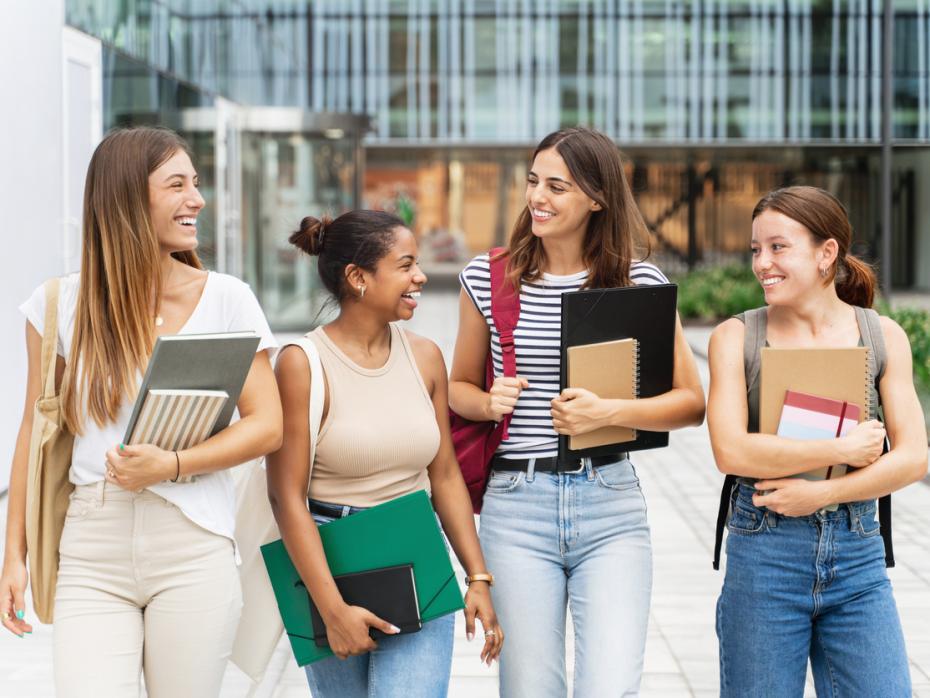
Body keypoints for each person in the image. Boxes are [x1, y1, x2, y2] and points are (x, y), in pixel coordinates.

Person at [0, 127, 282, 697]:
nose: (196, 200)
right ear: (127, 199)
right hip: (91, 546)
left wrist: (173, 464)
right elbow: (34, 428)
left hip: (193, 540)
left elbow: (268, 424)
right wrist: (15, 556)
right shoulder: (60, 305)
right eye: (176, 185)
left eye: (195, 183)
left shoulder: (227, 298)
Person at [448, 126, 706, 696]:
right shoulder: (489, 279)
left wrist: (608, 412)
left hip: (610, 504)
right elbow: (457, 388)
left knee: (610, 687)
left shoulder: (638, 282)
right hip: (517, 509)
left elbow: (691, 404)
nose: (538, 196)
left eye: (558, 187)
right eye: (534, 181)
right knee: (530, 688)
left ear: (596, 198)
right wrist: (488, 402)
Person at [267, 210, 503, 698]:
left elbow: (444, 475)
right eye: (405, 265)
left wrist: (477, 576)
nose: (420, 276)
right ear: (357, 277)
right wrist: (333, 611)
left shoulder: (425, 356)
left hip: (416, 556)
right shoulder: (301, 364)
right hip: (331, 563)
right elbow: (286, 498)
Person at [707, 185, 927, 697]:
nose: (763, 263)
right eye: (756, 250)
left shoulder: (881, 336)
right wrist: (840, 451)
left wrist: (824, 492)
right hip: (765, 555)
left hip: (858, 556)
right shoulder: (735, 339)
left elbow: (915, 457)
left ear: (827, 253)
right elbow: (730, 451)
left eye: (778, 247)